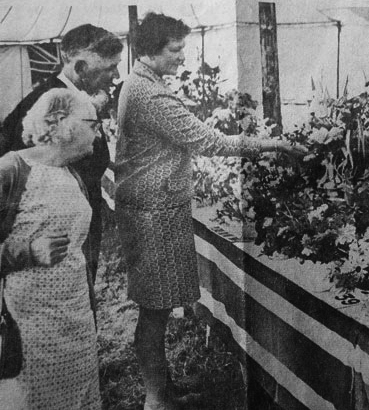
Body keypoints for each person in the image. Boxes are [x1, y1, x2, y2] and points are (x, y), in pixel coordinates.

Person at [114, 12, 307, 410]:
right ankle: (155, 399)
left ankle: (161, 388)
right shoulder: (149, 94)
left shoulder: (142, 83)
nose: (182, 57)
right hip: (154, 214)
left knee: (158, 308)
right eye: (175, 49)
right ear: (151, 51)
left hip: (153, 209)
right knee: (154, 311)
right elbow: (209, 141)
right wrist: (274, 146)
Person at [0, 88, 103, 409]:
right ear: (60, 122)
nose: (99, 133)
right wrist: (31, 251)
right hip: (29, 328)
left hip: (75, 319)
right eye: (93, 124)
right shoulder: (11, 171)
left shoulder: (72, 172)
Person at [0, 24, 123, 292]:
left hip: (77, 226)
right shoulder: (46, 103)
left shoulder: (78, 100)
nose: (115, 75)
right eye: (110, 68)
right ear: (80, 68)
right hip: (51, 244)